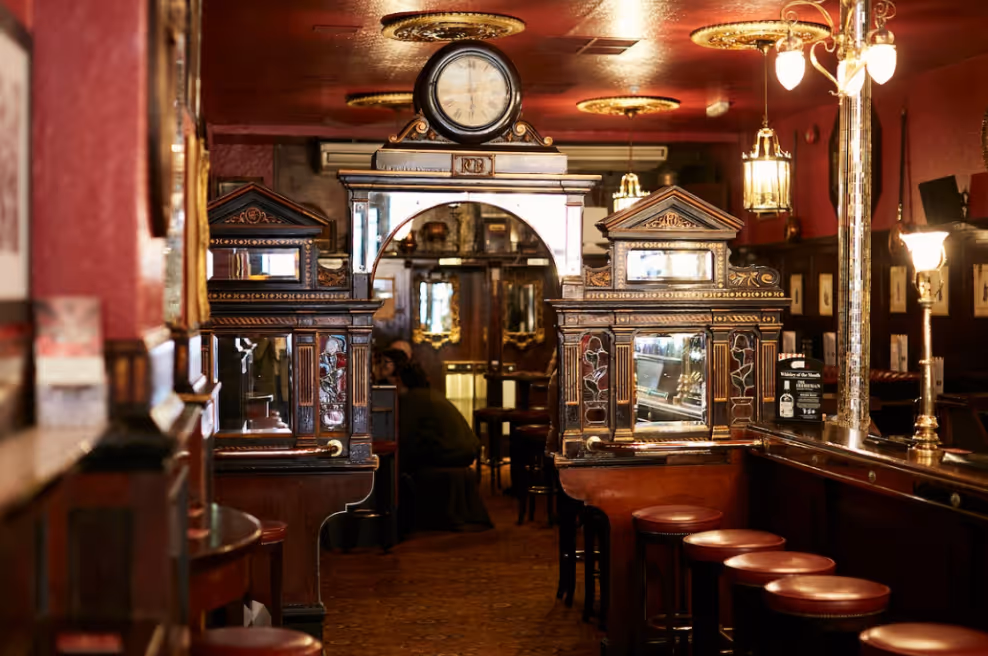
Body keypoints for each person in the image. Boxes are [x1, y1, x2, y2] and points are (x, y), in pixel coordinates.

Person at [396, 361, 492, 531]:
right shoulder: (430, 394)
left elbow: (405, 437)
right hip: (466, 450)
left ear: (401, 381)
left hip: (453, 453)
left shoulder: (413, 399)